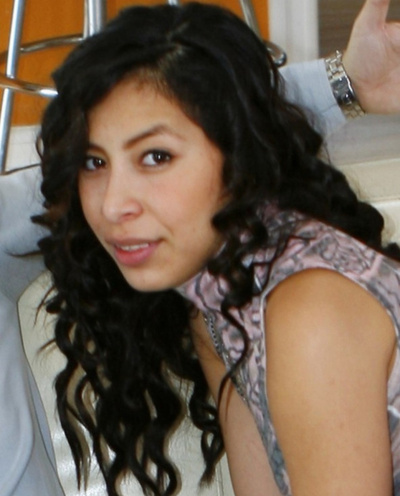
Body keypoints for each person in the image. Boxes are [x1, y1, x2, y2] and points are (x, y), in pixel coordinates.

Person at [1, 0, 400, 495]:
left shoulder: (310, 308)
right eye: (93, 162)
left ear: (240, 155)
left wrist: (345, 83)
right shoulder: (214, 298)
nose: (113, 205)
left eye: (156, 157)